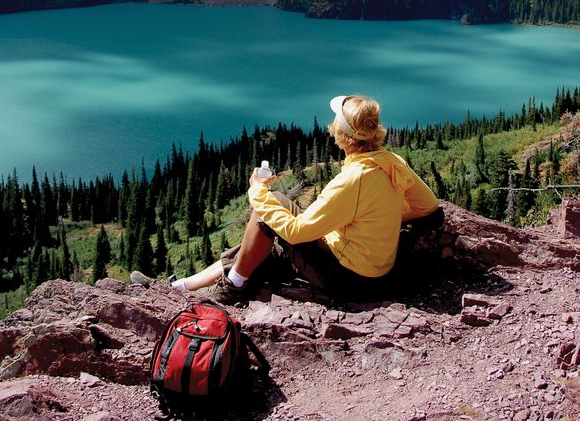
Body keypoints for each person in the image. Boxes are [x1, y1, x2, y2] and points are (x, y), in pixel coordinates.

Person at [171, 94, 441, 304]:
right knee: (270, 218)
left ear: (343, 134)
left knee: (268, 209)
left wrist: (256, 192)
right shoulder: (390, 162)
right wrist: (382, 217)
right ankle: (181, 287)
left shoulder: (355, 179)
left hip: (350, 279)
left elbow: (296, 232)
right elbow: (428, 205)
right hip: (369, 267)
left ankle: (232, 289)